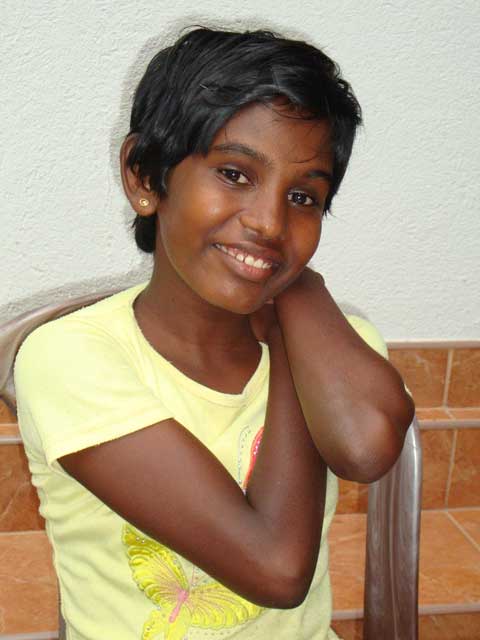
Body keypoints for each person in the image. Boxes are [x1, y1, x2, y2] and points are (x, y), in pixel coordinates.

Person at [14, 27, 415, 640]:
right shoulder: (69, 357)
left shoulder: (339, 342)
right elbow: (277, 570)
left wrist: (300, 296)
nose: (270, 223)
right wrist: (291, 317)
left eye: (303, 196)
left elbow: (364, 448)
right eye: (234, 174)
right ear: (145, 177)